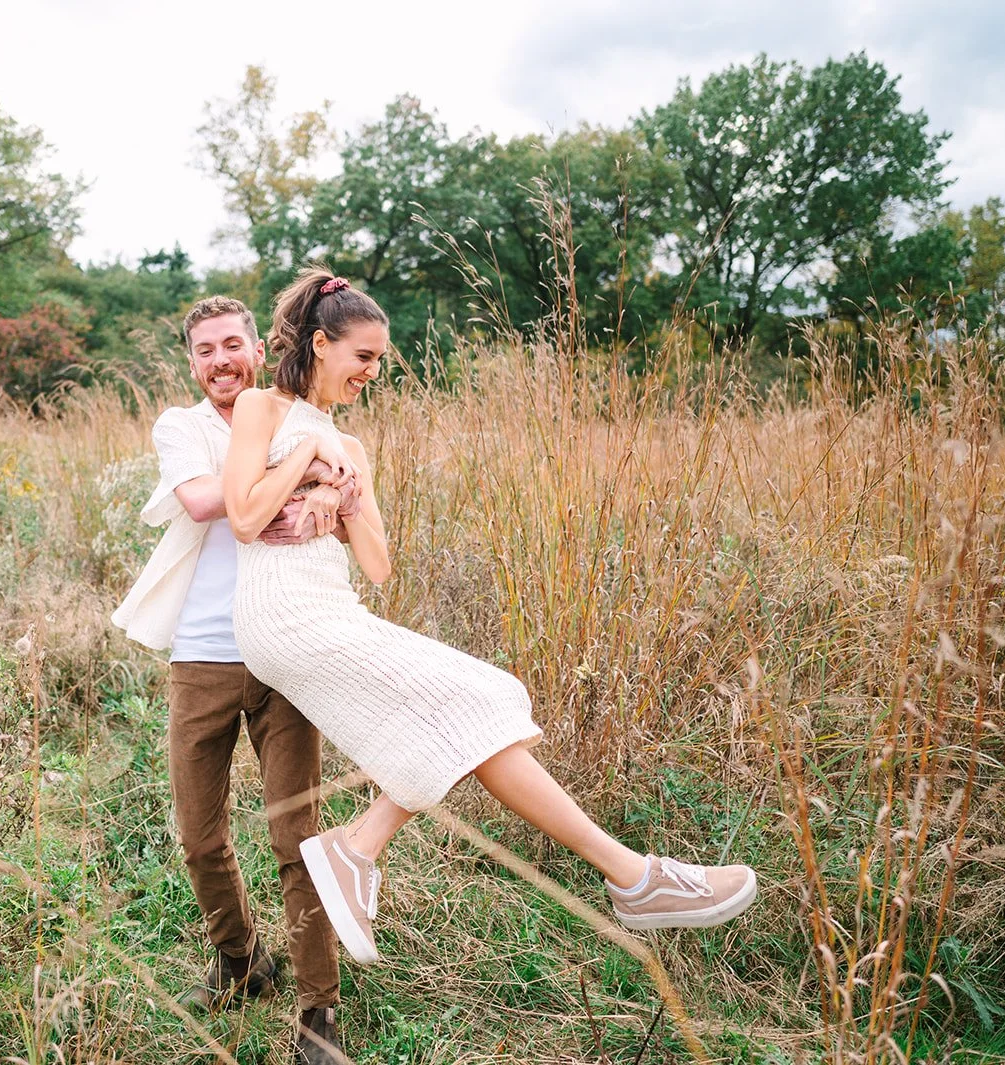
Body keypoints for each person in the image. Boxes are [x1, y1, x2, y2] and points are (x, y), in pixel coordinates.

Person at [222, 267, 759, 970]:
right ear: (321, 344)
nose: (373, 373)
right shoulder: (263, 408)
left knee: (490, 700)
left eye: (380, 361)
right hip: (280, 613)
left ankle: (366, 851)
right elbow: (243, 517)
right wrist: (303, 457)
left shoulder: (351, 448)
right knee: (475, 701)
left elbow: (379, 565)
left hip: (334, 603)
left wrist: (345, 490)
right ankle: (635, 878)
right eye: (363, 357)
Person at [112, 296, 360, 1064]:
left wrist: (325, 481)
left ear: (257, 348)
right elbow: (203, 500)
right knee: (199, 833)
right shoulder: (181, 428)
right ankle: (241, 958)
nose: (218, 360)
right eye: (203, 351)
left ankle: (319, 1009)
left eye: (230, 345)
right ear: (192, 362)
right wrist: (299, 469)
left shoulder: (298, 416)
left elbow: (346, 496)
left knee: (298, 833)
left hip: (284, 650)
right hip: (204, 655)